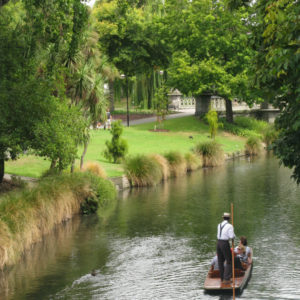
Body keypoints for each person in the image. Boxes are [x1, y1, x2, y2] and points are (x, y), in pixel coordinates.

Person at [216, 212, 235, 284]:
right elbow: (231, 236)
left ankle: (222, 278)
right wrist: (234, 236)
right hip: (224, 243)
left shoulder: (219, 225)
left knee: (220, 261)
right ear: (229, 219)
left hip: (218, 243)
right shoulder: (230, 226)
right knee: (229, 260)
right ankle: (226, 279)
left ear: (223, 218)